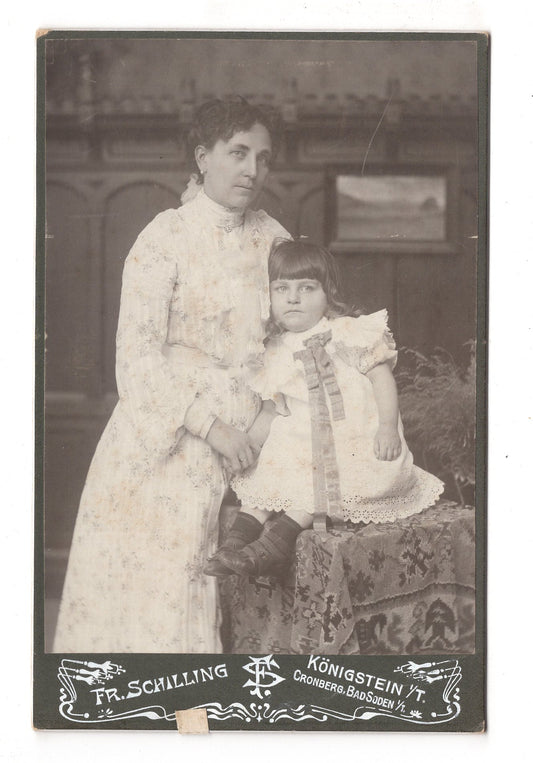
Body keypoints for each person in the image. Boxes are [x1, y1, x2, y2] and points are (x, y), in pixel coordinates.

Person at [52, 98, 290, 653]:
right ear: (203, 158)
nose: (252, 169)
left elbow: (291, 339)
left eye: (264, 157)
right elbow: (135, 361)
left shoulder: (275, 238)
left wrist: (263, 423)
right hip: (166, 438)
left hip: (255, 436)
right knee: (160, 592)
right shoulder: (164, 237)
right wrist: (212, 428)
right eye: (238, 153)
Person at [205, 238, 444, 578]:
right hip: (301, 439)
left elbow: (381, 378)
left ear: (327, 293)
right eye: (281, 289)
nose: (293, 298)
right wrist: (250, 445)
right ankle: (234, 548)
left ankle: (272, 547)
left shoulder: (347, 331)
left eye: (306, 288)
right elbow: (274, 409)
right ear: (269, 297)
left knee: (313, 487)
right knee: (268, 479)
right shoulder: (273, 350)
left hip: (353, 439)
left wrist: (388, 427)